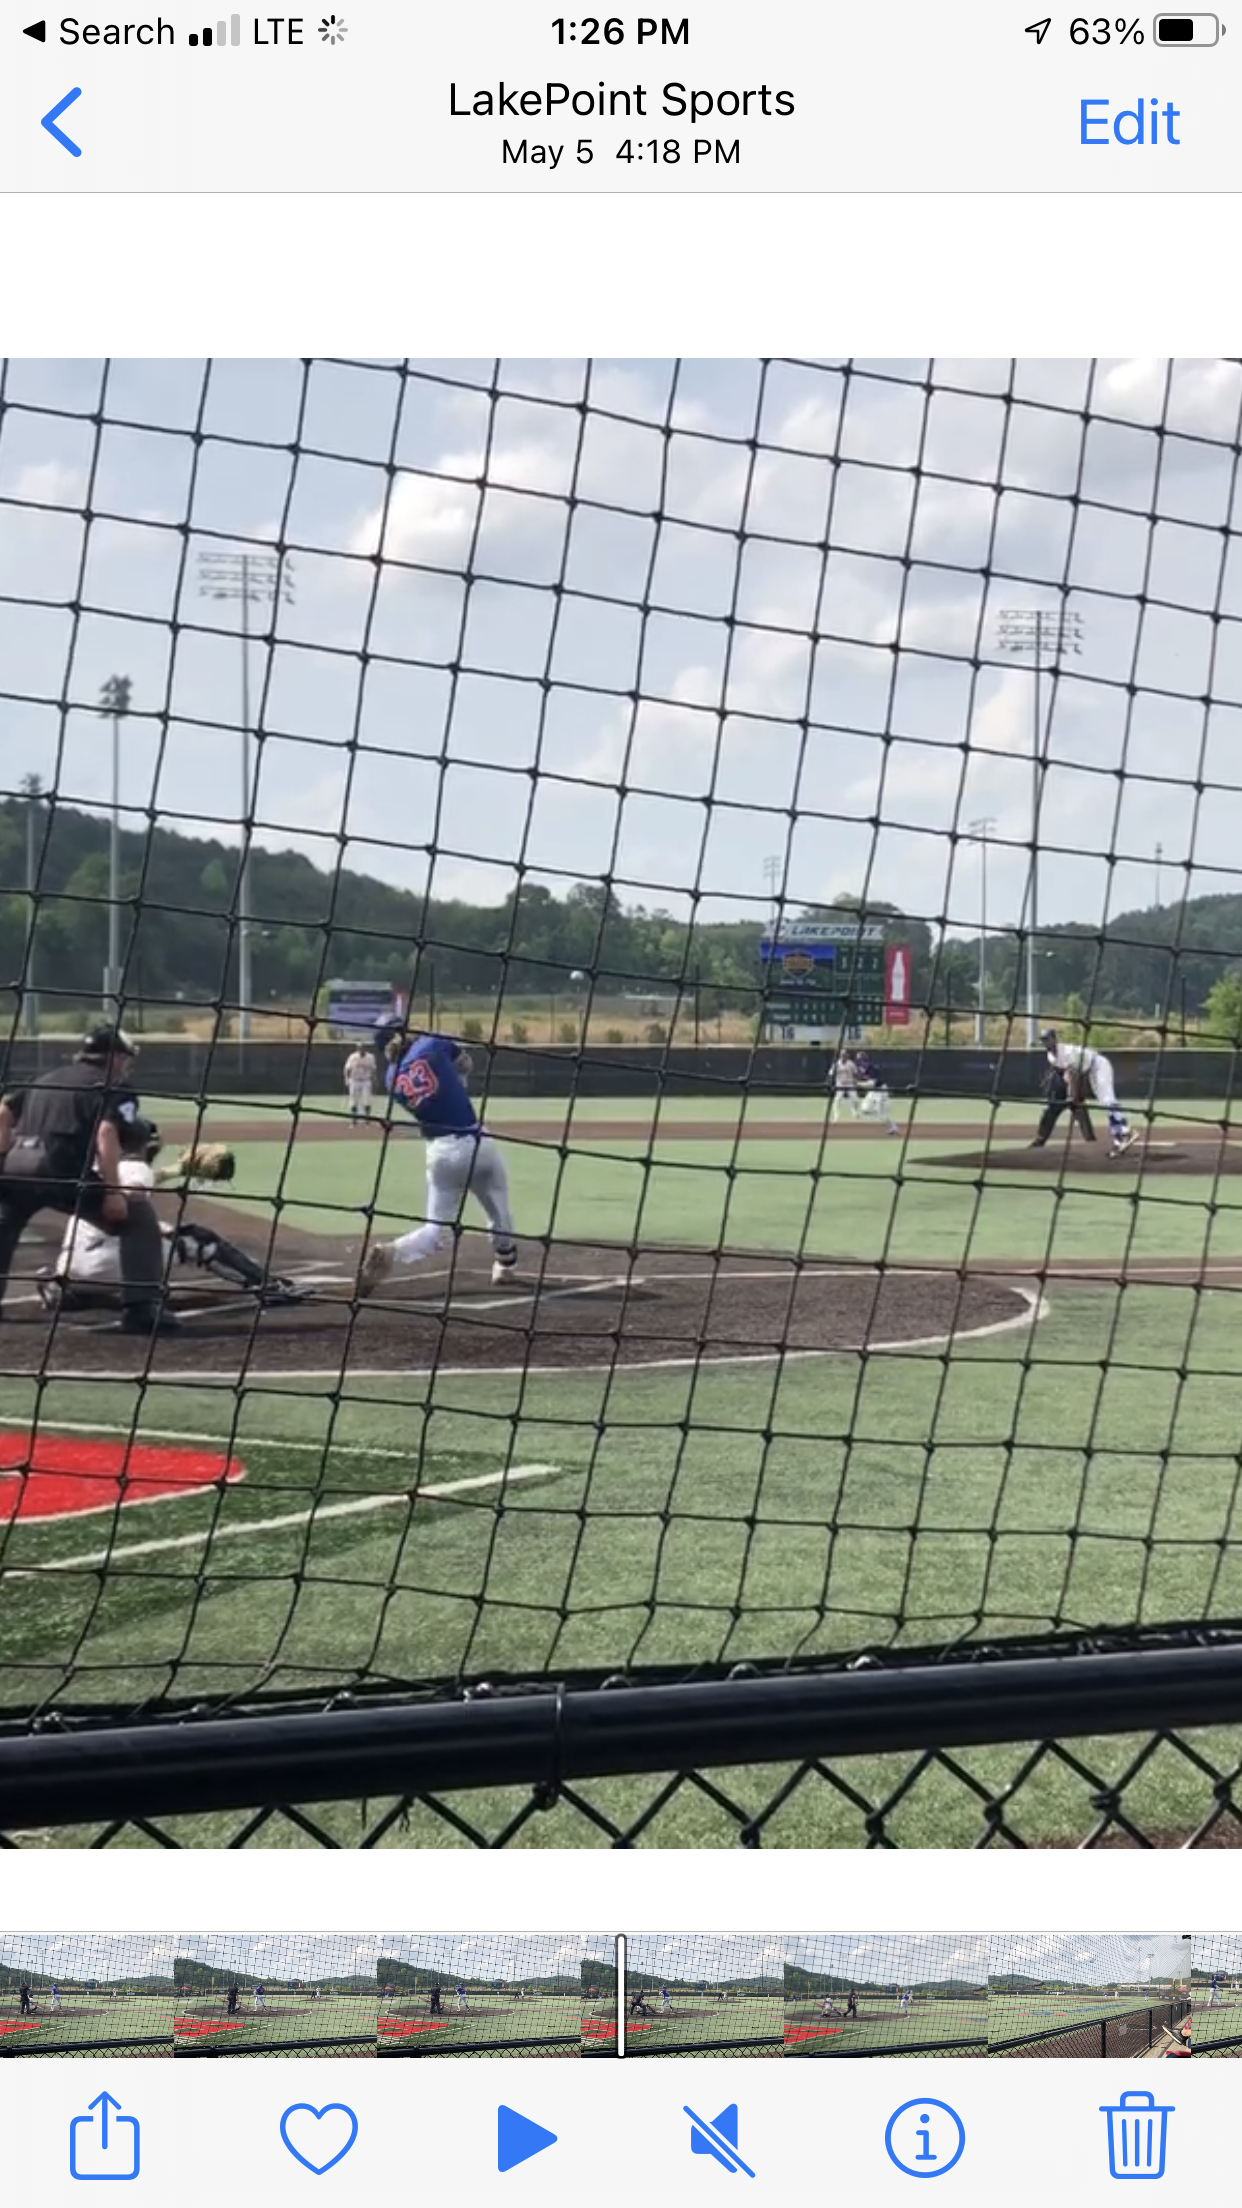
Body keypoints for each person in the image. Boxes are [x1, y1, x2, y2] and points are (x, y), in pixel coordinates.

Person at [0, 1023, 175, 1335]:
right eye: (126, 1059)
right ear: (115, 1058)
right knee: (138, 1217)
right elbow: (106, 1134)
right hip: (61, 1169)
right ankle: (142, 1309)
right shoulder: (115, 1086)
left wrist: (4, 1157)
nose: (127, 1065)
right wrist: (113, 1192)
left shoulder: (47, 1079)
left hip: (15, 1167)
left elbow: (3, 1111)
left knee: (5, 1225)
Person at [41, 1117, 305, 1312]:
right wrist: (159, 1230)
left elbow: (130, 1186)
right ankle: (268, 1288)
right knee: (199, 1240)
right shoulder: (136, 1169)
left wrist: (176, 1171)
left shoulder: (99, 1168)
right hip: (110, 1263)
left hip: (71, 1269)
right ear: (147, 1146)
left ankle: (69, 1294)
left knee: (151, 1235)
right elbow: (132, 1193)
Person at [357, 1021, 519, 1295]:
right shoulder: (431, 1043)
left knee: (435, 1232)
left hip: (440, 1154)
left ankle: (391, 1251)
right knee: (498, 1210)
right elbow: (465, 1063)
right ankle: (505, 1264)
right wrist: (455, 1075)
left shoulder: (391, 1079)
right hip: (476, 1142)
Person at [1038, 1030, 1136, 1159]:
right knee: (1105, 1103)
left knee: (1108, 1100)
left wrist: (1071, 1096)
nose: (1045, 1042)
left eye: (1047, 1039)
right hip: (1089, 1072)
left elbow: (1072, 1076)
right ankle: (1119, 1140)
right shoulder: (1050, 1057)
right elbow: (1068, 1076)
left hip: (1099, 1065)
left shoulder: (1066, 1052)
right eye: (1043, 1040)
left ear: (1055, 1039)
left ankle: (1125, 1131)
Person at [1029, 1060, 1096, 1149]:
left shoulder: (1075, 1062)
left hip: (1074, 1086)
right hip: (1059, 1090)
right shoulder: (1055, 1060)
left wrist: (1073, 1094)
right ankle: (1040, 1139)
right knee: (1050, 1113)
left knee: (1081, 1112)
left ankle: (1090, 1140)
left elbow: (1072, 1075)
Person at [855, 1050, 901, 1135]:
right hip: (873, 1091)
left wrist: (857, 1083)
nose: (861, 1062)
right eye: (860, 1060)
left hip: (881, 1091)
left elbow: (872, 1084)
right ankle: (879, 1112)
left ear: (866, 1060)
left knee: (882, 1117)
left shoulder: (873, 1069)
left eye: (862, 1060)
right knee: (864, 1109)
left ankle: (894, 1128)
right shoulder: (861, 1069)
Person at [343, 1045, 376, 1126]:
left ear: (365, 1049)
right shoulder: (353, 1057)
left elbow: (373, 1069)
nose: (361, 1050)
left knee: (367, 1100)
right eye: (360, 1049)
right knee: (353, 1100)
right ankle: (354, 1119)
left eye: (363, 1048)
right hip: (354, 1080)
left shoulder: (370, 1057)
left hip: (366, 1080)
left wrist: (374, 1079)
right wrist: (346, 1079)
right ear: (357, 1049)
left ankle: (367, 1119)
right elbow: (347, 1069)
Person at [830, 1047, 861, 1122]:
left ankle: (854, 1111)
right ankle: (836, 1115)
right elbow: (831, 1074)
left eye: (845, 1054)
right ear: (840, 1055)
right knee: (837, 1100)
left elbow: (856, 1073)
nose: (843, 1056)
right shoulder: (837, 1064)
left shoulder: (851, 1063)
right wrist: (831, 1084)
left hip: (849, 1083)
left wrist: (856, 1080)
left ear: (847, 1055)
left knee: (855, 1099)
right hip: (840, 1084)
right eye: (842, 1054)